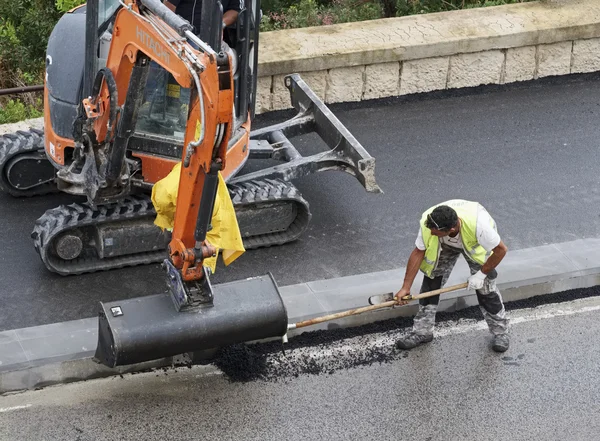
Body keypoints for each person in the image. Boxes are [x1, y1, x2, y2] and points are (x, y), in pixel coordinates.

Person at [395, 199, 510, 352]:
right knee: (431, 284)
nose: (430, 233)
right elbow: (418, 252)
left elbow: (501, 250)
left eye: (434, 231)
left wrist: (481, 275)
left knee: (486, 290)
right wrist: (405, 287)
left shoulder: (480, 227)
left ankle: (501, 333)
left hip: (474, 243)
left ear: (451, 228)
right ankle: (422, 332)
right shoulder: (429, 223)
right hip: (445, 244)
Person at [164, 0, 241, 32]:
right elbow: (168, 7)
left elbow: (234, 10)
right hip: (185, 35)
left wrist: (220, 25)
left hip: (213, 39)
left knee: (231, 56)